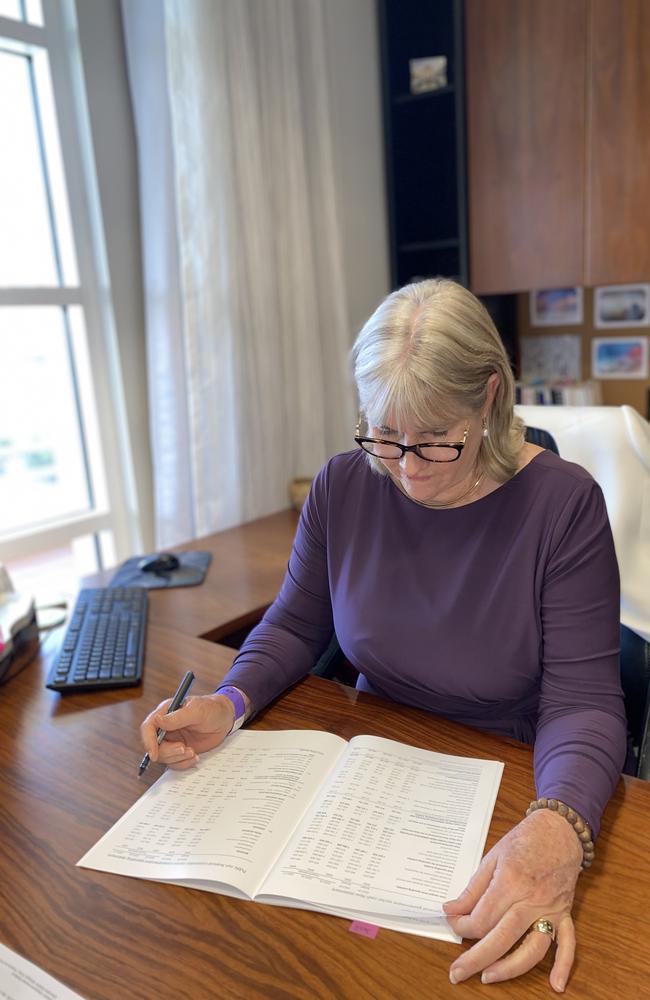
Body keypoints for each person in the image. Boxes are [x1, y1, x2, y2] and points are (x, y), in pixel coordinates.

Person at [140, 278, 627, 992]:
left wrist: (559, 827)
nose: (406, 471)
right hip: (369, 777)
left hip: (510, 784)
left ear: (489, 397)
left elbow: (584, 701)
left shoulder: (564, 506)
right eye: (385, 436)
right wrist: (229, 700)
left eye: (434, 442)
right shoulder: (343, 485)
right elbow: (295, 624)